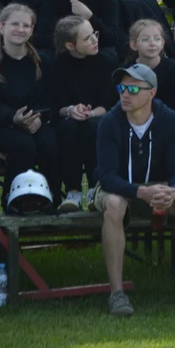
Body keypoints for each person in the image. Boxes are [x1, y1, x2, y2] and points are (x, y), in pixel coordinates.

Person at [93, 64, 175, 315]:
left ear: (151, 93)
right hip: (120, 189)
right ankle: (117, 294)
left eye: (133, 88)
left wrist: (173, 192)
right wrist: (140, 192)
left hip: (158, 189)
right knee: (114, 204)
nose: (125, 94)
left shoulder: (168, 120)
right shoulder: (109, 122)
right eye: (122, 87)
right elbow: (107, 177)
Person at [0, 4, 61, 208]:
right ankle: (14, 201)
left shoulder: (44, 62)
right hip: (0, 125)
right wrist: (13, 117)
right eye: (15, 24)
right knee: (24, 146)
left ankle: (51, 199)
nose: (20, 29)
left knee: (49, 143)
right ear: (2, 27)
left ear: (32, 30)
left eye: (26, 25)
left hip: (37, 122)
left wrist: (40, 119)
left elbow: (54, 100)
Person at [51, 16, 118, 212]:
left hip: (98, 116)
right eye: (87, 38)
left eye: (94, 34)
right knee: (67, 128)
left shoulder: (105, 61)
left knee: (94, 127)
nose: (95, 40)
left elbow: (109, 103)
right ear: (71, 46)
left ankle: (94, 187)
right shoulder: (58, 65)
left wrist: (91, 113)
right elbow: (56, 104)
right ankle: (72, 191)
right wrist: (71, 110)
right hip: (69, 118)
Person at [126, 19, 175, 128]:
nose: (152, 43)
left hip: (169, 125)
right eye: (145, 39)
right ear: (134, 44)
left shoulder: (174, 68)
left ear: (162, 43)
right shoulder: (127, 69)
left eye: (157, 39)